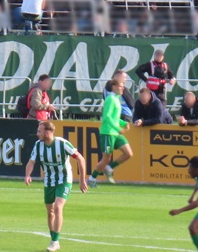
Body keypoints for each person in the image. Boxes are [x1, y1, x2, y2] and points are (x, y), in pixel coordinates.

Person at [25, 120, 89, 252]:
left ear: (47, 133)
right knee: (50, 212)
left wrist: (82, 180)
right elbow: (31, 162)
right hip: (49, 181)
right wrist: (27, 175)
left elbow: (80, 159)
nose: (37, 134)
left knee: (58, 207)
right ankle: (55, 239)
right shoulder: (38, 145)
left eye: (39, 131)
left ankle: (54, 241)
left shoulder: (62, 144)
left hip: (64, 179)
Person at [88, 79, 132, 187]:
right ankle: (92, 178)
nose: (123, 88)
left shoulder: (117, 99)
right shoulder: (110, 99)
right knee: (106, 158)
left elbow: (114, 117)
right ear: (114, 87)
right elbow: (107, 117)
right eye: (121, 86)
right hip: (108, 132)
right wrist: (118, 128)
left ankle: (109, 168)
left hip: (115, 133)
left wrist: (123, 123)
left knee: (128, 153)